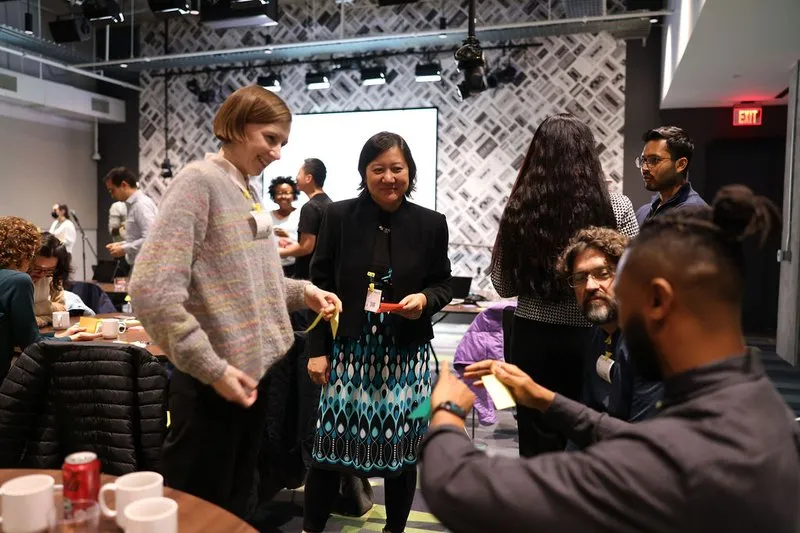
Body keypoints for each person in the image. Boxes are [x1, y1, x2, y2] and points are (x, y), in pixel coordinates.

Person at [419, 185, 799, 533]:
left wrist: (448, 410)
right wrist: (543, 397)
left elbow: (459, 488)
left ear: (657, 301)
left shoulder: (678, 458)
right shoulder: (759, 407)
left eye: (624, 296)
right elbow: (634, 438)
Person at [128, 85, 341, 519]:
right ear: (238, 127)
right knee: (198, 511)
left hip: (248, 380)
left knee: (235, 503)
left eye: (282, 143)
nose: (278, 153)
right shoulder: (198, 183)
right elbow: (151, 289)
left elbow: (252, 283)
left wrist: (304, 293)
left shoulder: (245, 189)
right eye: (270, 138)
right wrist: (212, 368)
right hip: (213, 385)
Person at [303, 131, 452, 533]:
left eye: (397, 169)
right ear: (364, 173)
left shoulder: (431, 223)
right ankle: (310, 528)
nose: (388, 177)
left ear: (410, 172)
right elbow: (318, 286)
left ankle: (394, 529)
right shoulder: (337, 217)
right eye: (378, 169)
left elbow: (444, 283)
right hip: (349, 349)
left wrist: (424, 298)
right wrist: (318, 350)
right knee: (328, 449)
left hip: (405, 357)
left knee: (401, 452)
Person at [490, 113, 639, 457]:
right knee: (590, 426)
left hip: (532, 338)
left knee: (535, 432)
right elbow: (635, 274)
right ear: (589, 155)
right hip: (593, 334)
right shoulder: (615, 206)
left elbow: (502, 284)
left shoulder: (519, 210)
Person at [555, 227, 662, 425]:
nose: (590, 286)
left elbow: (640, 439)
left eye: (602, 274)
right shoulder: (598, 333)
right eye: (580, 278)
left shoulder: (650, 344)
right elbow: (587, 415)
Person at [0, 217, 100, 381]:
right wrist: (69, 338)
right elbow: (32, 347)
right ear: (25, 252)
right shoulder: (18, 281)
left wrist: (59, 336)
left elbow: (22, 336)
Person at [635, 126, 707, 226]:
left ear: (681, 164)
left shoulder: (694, 214)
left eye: (654, 160)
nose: (644, 168)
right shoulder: (643, 212)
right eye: (644, 160)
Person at [280, 158, 331, 280]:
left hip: (308, 276)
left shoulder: (310, 207)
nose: (296, 178)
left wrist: (277, 252)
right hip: (324, 274)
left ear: (308, 178)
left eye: (299, 174)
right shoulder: (329, 204)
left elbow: (306, 247)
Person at [103, 167, 158, 268]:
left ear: (124, 185)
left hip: (146, 267)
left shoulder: (141, 205)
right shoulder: (134, 205)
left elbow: (151, 239)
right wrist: (121, 245)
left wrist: (124, 249)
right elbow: (138, 238)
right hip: (141, 266)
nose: (111, 195)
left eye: (112, 190)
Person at [30, 232, 71, 328]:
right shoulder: (17, 278)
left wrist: (43, 319)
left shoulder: (52, 276)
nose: (42, 274)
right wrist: (51, 306)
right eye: (37, 268)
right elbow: (13, 312)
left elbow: (62, 311)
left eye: (49, 269)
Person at [269, 176, 302, 277]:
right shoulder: (267, 216)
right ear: (273, 196)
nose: (283, 196)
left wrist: (287, 236)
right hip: (272, 265)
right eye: (279, 193)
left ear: (294, 195)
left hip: (295, 267)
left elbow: (306, 244)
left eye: (287, 193)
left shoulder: (300, 214)